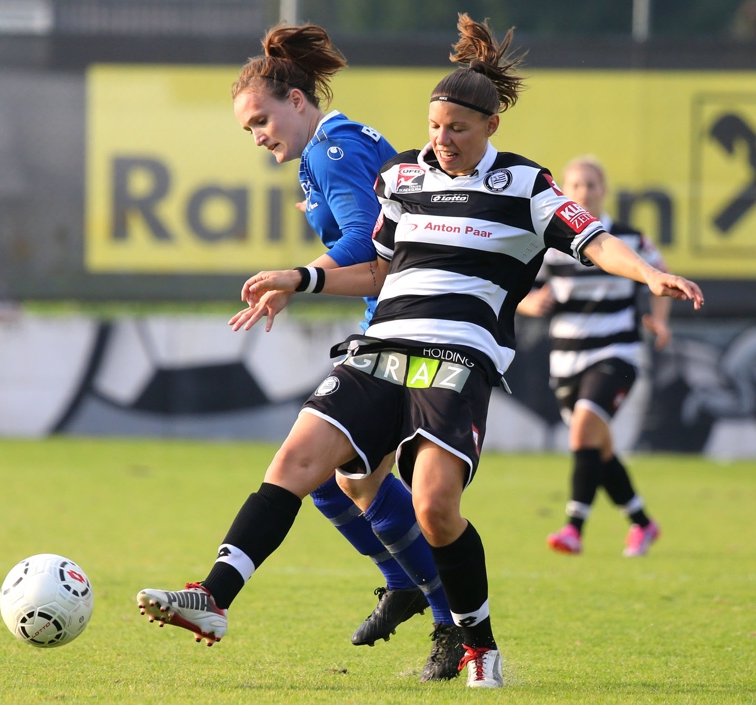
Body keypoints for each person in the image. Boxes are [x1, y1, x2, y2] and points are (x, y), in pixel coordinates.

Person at [137, 14, 704, 690]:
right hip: (381, 349)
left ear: (490, 127)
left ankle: (477, 645)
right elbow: (376, 268)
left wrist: (647, 273)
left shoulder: (528, 187)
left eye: (457, 130)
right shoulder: (403, 179)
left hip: (456, 359)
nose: (442, 141)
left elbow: (598, 241)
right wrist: (300, 277)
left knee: (435, 506)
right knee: (297, 461)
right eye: (435, 128)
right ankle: (215, 598)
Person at [223, 23, 463, 681]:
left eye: (261, 120)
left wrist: (295, 277)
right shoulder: (332, 148)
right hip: (395, 324)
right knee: (337, 479)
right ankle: (409, 587)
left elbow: (365, 244)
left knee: (344, 477)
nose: (257, 135)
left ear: (297, 101)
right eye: (247, 129)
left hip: (409, 331)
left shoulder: (329, 151)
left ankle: (443, 611)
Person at [517, 156, 670, 557]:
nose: (585, 192)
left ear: (604, 190)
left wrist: (659, 320)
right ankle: (642, 523)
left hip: (617, 352)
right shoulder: (550, 245)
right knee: (597, 449)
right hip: (566, 361)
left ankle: (573, 528)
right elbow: (515, 288)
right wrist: (529, 304)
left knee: (584, 427)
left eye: (592, 185)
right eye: (577, 185)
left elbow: (660, 271)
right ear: (565, 192)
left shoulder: (629, 239)